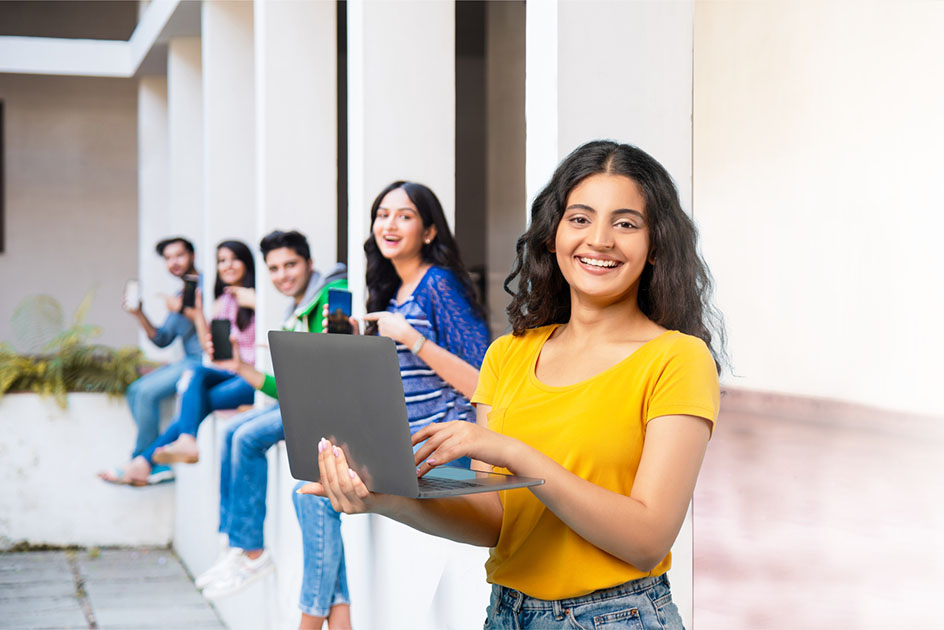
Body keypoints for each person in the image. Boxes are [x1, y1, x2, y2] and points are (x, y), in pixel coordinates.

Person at [304, 142, 726, 630]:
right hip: (508, 614)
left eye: (626, 223)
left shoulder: (677, 358)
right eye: (580, 219)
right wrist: (383, 498)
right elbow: (497, 521)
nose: (601, 240)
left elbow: (648, 538)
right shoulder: (508, 355)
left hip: (620, 616)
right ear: (552, 237)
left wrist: (515, 452)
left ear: (655, 248)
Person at [293, 181, 490, 630]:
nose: (389, 224)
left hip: (442, 445)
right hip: (404, 439)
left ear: (429, 232)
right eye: (382, 214)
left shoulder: (438, 284)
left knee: (318, 489)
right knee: (313, 479)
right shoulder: (391, 293)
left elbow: (485, 381)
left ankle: (315, 619)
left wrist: (410, 338)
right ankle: (337, 616)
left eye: (404, 215)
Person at [194, 230, 347, 603]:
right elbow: (291, 389)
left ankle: (253, 553)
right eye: (274, 268)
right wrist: (240, 366)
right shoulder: (294, 308)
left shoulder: (330, 296)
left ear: (309, 263)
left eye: (290, 264)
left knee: (246, 437)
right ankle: (235, 545)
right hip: (306, 403)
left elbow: (322, 380)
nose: (283, 275)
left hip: (329, 410)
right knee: (232, 431)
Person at [100, 240, 258, 486]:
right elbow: (211, 349)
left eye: (234, 259)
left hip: (252, 375)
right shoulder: (224, 299)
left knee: (192, 398)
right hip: (226, 371)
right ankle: (167, 451)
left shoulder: (256, 297)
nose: (227, 266)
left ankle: (145, 461)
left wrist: (256, 302)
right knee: (189, 376)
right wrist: (193, 315)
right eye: (221, 261)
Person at [122, 236, 202, 484]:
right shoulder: (181, 293)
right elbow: (162, 338)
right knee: (135, 390)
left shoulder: (204, 287)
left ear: (192, 256)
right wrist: (139, 313)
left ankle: (143, 461)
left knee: (146, 394)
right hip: (187, 360)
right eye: (168, 258)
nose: (174, 262)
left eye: (179, 255)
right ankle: (147, 462)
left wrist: (181, 309)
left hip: (201, 362)